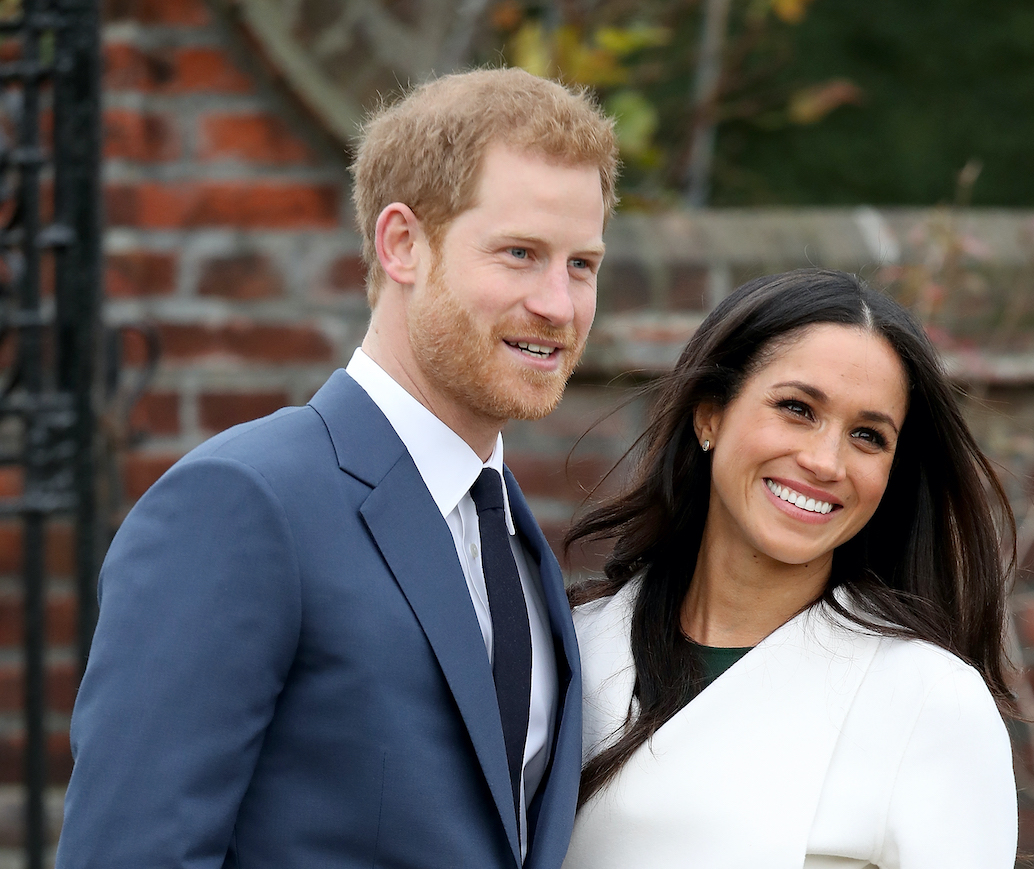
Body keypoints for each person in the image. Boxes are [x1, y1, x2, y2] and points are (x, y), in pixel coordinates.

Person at [58, 67, 618, 869]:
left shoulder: (515, 539)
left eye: (581, 264)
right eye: (520, 254)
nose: (558, 305)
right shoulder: (243, 502)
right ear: (401, 244)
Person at [561, 268, 1018, 869]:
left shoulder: (928, 702)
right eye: (797, 409)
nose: (825, 461)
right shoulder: (569, 648)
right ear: (710, 416)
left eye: (867, 436)